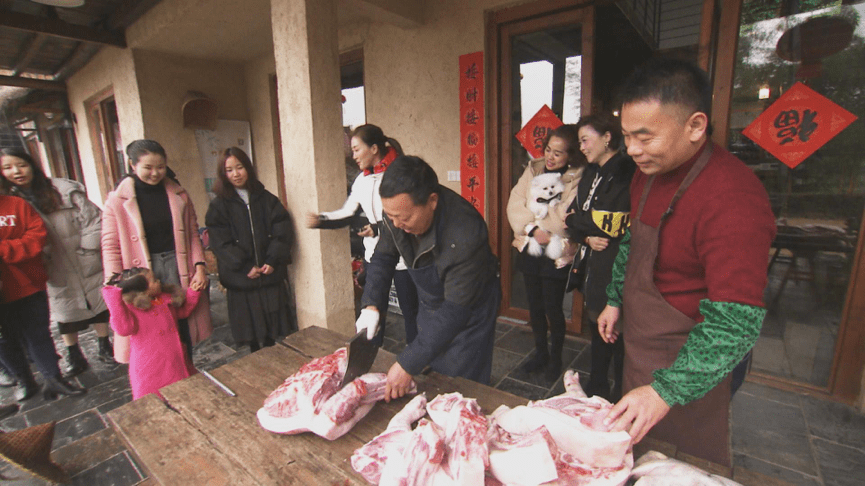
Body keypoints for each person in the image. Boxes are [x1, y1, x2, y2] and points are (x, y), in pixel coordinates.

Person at [596, 59, 776, 466]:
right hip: (642, 342)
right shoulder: (648, 171)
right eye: (626, 136)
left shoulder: (733, 199)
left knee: (682, 463)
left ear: (695, 126)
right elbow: (633, 241)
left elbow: (735, 325)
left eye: (645, 137)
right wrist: (614, 298)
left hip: (690, 356)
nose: (633, 150)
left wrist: (665, 391)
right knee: (638, 456)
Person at [356, 155, 500, 401]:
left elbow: (455, 311)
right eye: (391, 217)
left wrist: (407, 364)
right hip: (433, 300)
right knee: (429, 364)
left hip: (468, 311)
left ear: (432, 201)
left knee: (459, 389)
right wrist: (371, 305)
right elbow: (382, 258)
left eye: (405, 218)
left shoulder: (465, 233)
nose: (397, 224)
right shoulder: (397, 212)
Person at [0, 148, 115, 378]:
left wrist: (88, 247)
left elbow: (94, 219)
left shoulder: (62, 189)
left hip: (83, 255)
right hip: (49, 263)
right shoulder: (11, 203)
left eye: (21, 165)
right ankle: (74, 354)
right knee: (64, 308)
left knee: (98, 302)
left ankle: (105, 345)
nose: (16, 171)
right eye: (8, 167)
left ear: (32, 164)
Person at [307, 124, 419, 346]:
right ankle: (369, 356)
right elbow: (348, 212)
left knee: (412, 313)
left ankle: (418, 360)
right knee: (371, 312)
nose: (353, 155)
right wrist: (321, 219)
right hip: (375, 258)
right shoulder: (361, 180)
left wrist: (377, 228)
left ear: (374, 148)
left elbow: (406, 216)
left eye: (357, 149)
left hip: (405, 259)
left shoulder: (399, 175)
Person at [101, 139, 212, 364]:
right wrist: (116, 281)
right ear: (132, 165)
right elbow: (110, 244)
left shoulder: (178, 194)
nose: (155, 173)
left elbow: (192, 233)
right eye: (148, 168)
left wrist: (200, 266)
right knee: (149, 328)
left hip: (177, 265)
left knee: (181, 320)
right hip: (143, 272)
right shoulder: (117, 200)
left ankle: (185, 369)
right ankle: (159, 377)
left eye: (160, 167)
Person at [565, 115, 635, 401]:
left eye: (585, 139)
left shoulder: (625, 170)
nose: (581, 147)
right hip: (593, 259)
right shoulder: (591, 172)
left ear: (607, 137)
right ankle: (598, 386)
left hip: (617, 261)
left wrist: (581, 221)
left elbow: (615, 223)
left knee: (618, 332)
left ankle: (621, 391)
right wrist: (584, 234)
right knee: (597, 327)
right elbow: (569, 216)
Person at [506, 125, 584, 382]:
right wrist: (532, 228)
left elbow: (565, 215)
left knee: (553, 308)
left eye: (558, 154)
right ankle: (540, 353)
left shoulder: (576, 178)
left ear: (570, 156)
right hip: (531, 247)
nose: (551, 157)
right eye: (548, 150)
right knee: (535, 307)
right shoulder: (533, 169)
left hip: (556, 251)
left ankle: (556, 358)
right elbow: (515, 202)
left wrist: (544, 227)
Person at [205, 147, 295, 352]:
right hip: (242, 278)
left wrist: (272, 260)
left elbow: (282, 230)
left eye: (240, 167)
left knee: (275, 332)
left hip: (268, 274)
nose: (236, 174)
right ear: (223, 174)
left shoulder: (266, 199)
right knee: (251, 336)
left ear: (248, 168)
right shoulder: (219, 206)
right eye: (229, 170)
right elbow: (221, 242)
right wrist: (245, 266)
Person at [0, 193, 86, 401]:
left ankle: (53, 377)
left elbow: (37, 236)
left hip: (28, 282)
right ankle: (24, 380)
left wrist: (4, 249)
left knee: (38, 333)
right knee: (4, 340)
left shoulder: (16, 204)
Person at [102, 268, 201, 400]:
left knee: (183, 395)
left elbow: (182, 312)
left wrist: (193, 293)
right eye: (154, 280)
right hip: (150, 368)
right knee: (153, 401)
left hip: (175, 361)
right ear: (142, 290)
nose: (158, 281)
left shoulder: (164, 300)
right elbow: (123, 329)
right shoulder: (132, 309)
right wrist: (112, 296)